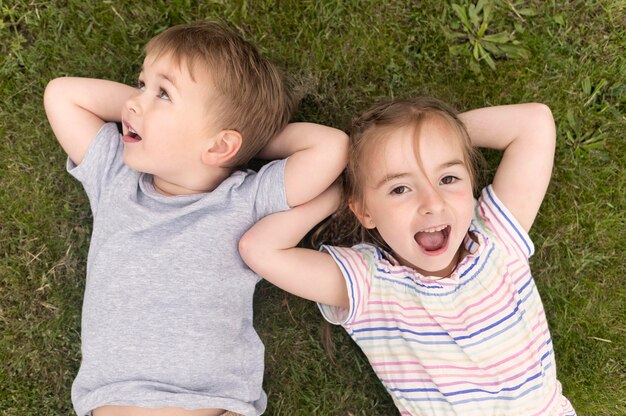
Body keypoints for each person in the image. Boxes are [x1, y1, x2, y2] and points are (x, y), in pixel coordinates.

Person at [43, 21, 348, 416]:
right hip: (115, 401)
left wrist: (245, 142)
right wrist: (161, 116)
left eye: (163, 93)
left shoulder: (243, 199)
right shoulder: (115, 175)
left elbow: (332, 147)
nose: (134, 103)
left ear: (221, 144)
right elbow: (61, 95)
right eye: (141, 85)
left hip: (214, 404)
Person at [239, 98, 576, 415]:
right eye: (400, 188)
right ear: (365, 212)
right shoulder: (371, 284)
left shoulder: (495, 237)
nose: (432, 202)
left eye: (448, 178)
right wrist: (337, 195)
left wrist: (440, 136)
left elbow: (534, 122)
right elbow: (260, 249)